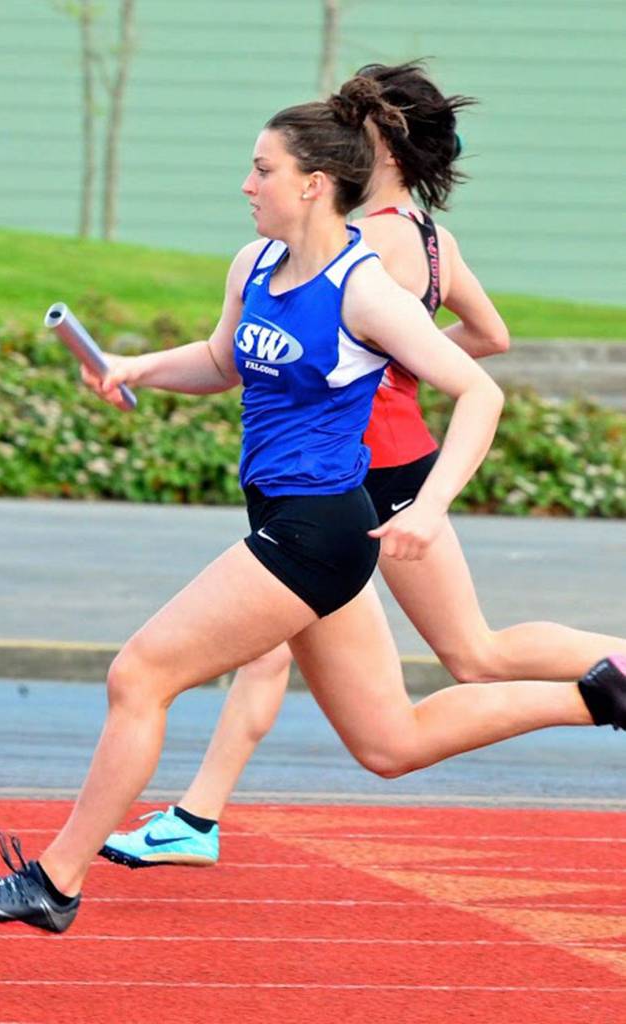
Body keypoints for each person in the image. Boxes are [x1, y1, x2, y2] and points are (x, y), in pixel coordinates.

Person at [0, 77, 625, 933]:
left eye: (262, 170)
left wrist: (428, 505)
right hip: (290, 522)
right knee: (390, 744)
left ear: (313, 185)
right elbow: (222, 359)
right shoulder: (254, 264)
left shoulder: (364, 288)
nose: (246, 185)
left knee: (139, 675)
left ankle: (55, 881)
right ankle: (602, 696)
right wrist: (134, 368)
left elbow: (480, 390)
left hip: (317, 531)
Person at [99, 61, 626, 870]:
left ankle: (196, 817)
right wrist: (396, 360)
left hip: (359, 472)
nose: (338, 137)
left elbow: (469, 369)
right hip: (387, 460)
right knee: (444, 657)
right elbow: (491, 336)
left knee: (419, 655)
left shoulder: (360, 245)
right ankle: (198, 814)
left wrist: (374, 366)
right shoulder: (431, 238)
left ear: (382, 150)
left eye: (355, 127)